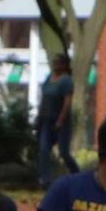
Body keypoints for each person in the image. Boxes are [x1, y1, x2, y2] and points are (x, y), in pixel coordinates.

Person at [35, 53, 77, 181]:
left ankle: (77, 174)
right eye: (54, 62)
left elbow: (67, 102)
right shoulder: (49, 78)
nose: (55, 65)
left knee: (64, 152)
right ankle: (44, 179)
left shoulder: (66, 80)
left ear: (64, 65)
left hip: (59, 121)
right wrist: (39, 116)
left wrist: (60, 119)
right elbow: (43, 98)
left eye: (58, 63)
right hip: (45, 119)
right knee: (43, 150)